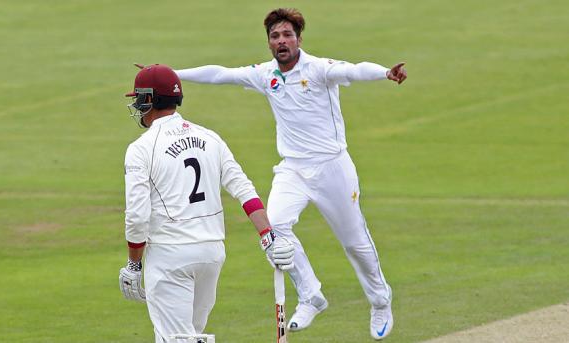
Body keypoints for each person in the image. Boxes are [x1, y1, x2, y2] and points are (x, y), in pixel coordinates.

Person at [146, 8, 409, 340]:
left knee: (355, 242)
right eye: (275, 36)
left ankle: (380, 300)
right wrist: (170, 73)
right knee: (275, 225)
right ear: (269, 42)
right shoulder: (265, 74)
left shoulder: (319, 69)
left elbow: (354, 70)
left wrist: (386, 72)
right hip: (292, 169)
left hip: (332, 168)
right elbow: (220, 74)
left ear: (299, 38)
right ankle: (311, 294)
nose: (281, 41)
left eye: (287, 35)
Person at [118, 64, 295, 343]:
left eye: (139, 98)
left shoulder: (141, 148)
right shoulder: (210, 138)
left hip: (170, 256)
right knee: (192, 336)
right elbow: (244, 189)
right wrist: (268, 237)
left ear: (148, 100)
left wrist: (133, 265)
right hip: (211, 254)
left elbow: (137, 217)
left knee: (175, 339)